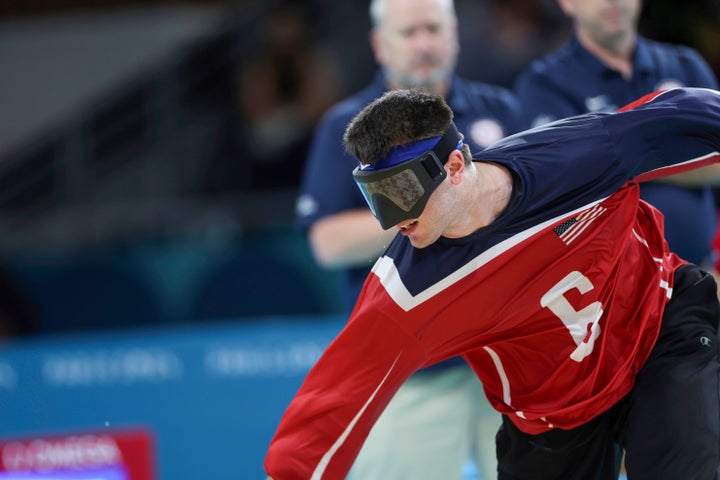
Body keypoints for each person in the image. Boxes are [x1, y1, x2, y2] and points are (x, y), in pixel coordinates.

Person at [266, 86, 720, 480]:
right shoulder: (408, 290)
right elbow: (333, 397)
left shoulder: (576, 154)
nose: (394, 218)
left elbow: (678, 114)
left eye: (403, 192)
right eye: (377, 198)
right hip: (551, 412)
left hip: (661, 326)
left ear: (456, 165)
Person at [294, 0, 525, 478]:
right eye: (409, 32)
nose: (424, 43)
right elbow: (328, 242)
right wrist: (439, 210)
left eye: (433, 29)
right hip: (409, 373)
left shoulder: (500, 109)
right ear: (380, 45)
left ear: (455, 34)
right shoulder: (346, 126)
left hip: (507, 359)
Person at [514, 0, 720, 267]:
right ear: (567, 4)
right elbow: (570, 180)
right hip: (613, 283)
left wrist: (622, 149)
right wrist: (685, 149)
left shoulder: (686, 65)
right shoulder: (544, 84)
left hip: (702, 269)